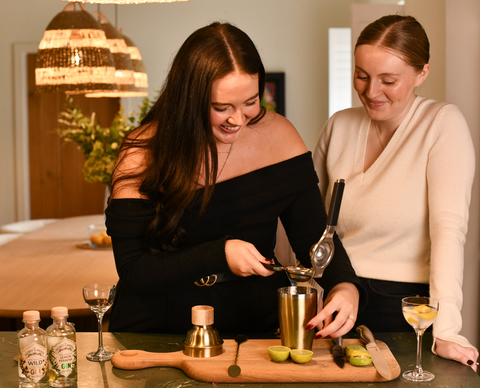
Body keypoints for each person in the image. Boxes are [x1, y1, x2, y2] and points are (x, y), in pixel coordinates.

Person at [105, 22, 363, 338]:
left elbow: (314, 236)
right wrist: (219, 254)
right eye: (221, 107)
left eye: (250, 103)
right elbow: (134, 272)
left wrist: (344, 285)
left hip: (254, 327)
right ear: (189, 99)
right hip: (159, 330)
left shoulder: (279, 136)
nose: (237, 120)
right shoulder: (141, 153)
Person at [313, 14, 479, 369]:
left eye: (388, 80)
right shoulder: (339, 125)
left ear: (422, 73)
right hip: (336, 297)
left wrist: (447, 330)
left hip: (403, 308)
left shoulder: (442, 124)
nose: (371, 92)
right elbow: (309, 218)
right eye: (362, 76)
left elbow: (449, 231)